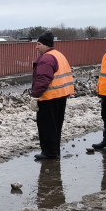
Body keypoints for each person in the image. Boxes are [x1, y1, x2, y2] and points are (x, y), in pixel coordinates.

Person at [30, 31, 74, 160]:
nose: (36, 47)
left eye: (38, 44)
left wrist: (35, 96)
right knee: (55, 126)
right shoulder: (58, 55)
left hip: (49, 98)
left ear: (45, 45)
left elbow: (43, 79)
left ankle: (49, 153)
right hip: (60, 96)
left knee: (47, 126)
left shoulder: (47, 58)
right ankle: (54, 151)